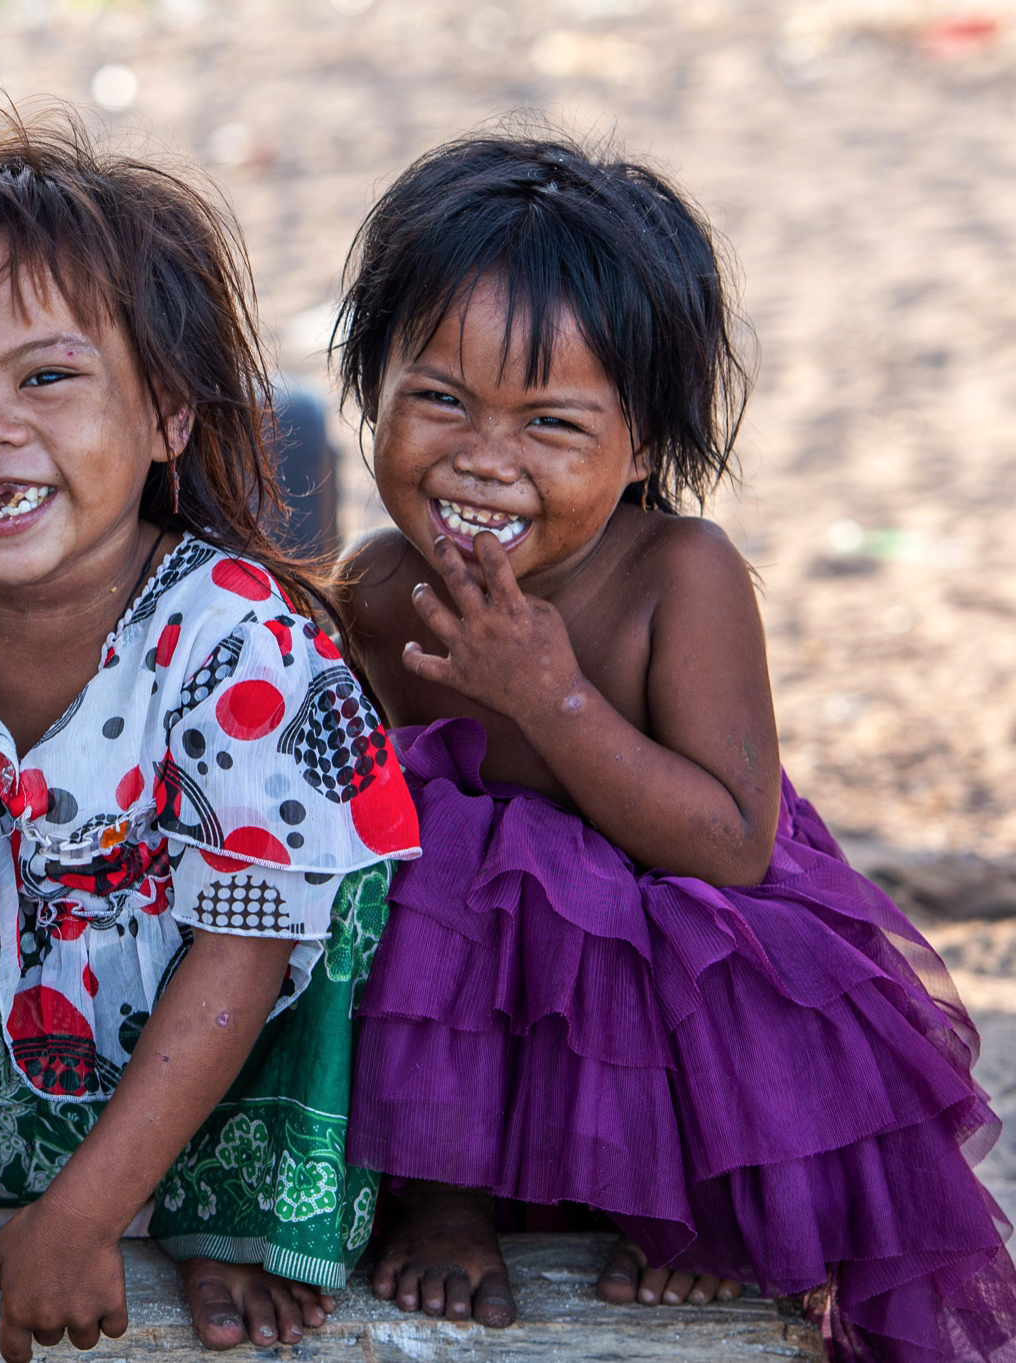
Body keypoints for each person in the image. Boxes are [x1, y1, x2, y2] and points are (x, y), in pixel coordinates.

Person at [0, 108, 422, 1362]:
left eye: (45, 377)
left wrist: (83, 1216)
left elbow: (246, 950)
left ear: (165, 416)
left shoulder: (236, 642)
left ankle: (215, 1208)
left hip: (193, 1084)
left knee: (321, 874)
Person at [331, 132, 1016, 1363]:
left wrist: (552, 699)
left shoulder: (677, 577)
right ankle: (440, 1192)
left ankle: (684, 1204)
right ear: (368, 389)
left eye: (550, 422)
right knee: (404, 889)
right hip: (480, 993)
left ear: (642, 443)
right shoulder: (378, 588)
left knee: (740, 969)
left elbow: (732, 846)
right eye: (437, 400)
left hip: (675, 951)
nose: (484, 459)